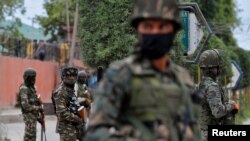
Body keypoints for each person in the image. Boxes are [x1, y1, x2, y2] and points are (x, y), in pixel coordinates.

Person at [84, 0, 201, 141]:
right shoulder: (120, 74)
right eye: (148, 26)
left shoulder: (183, 78)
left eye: (163, 26)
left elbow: (193, 129)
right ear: (138, 30)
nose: (155, 32)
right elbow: (94, 134)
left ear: (173, 31)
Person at [198, 49, 239, 141]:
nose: (219, 70)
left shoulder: (200, 86)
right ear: (212, 68)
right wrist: (232, 105)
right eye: (217, 67)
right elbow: (218, 112)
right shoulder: (212, 86)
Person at [52, 67, 84, 141]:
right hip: (66, 129)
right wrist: (78, 120)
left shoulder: (70, 90)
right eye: (69, 76)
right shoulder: (60, 92)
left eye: (74, 75)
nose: (72, 78)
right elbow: (62, 113)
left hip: (74, 126)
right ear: (63, 77)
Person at [19, 68, 43, 141]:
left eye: (34, 77)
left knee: (32, 135)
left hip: (33, 114)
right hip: (28, 115)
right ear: (27, 78)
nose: (34, 79)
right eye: (32, 78)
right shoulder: (24, 88)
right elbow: (25, 106)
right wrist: (37, 108)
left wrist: (40, 112)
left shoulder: (32, 87)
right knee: (29, 136)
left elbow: (34, 100)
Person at [75, 70, 94, 141]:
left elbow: (89, 97)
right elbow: (75, 99)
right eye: (82, 78)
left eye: (85, 78)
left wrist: (89, 99)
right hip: (78, 110)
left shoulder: (84, 86)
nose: (84, 79)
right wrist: (84, 100)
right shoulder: (76, 85)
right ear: (79, 78)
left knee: (83, 131)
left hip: (85, 110)